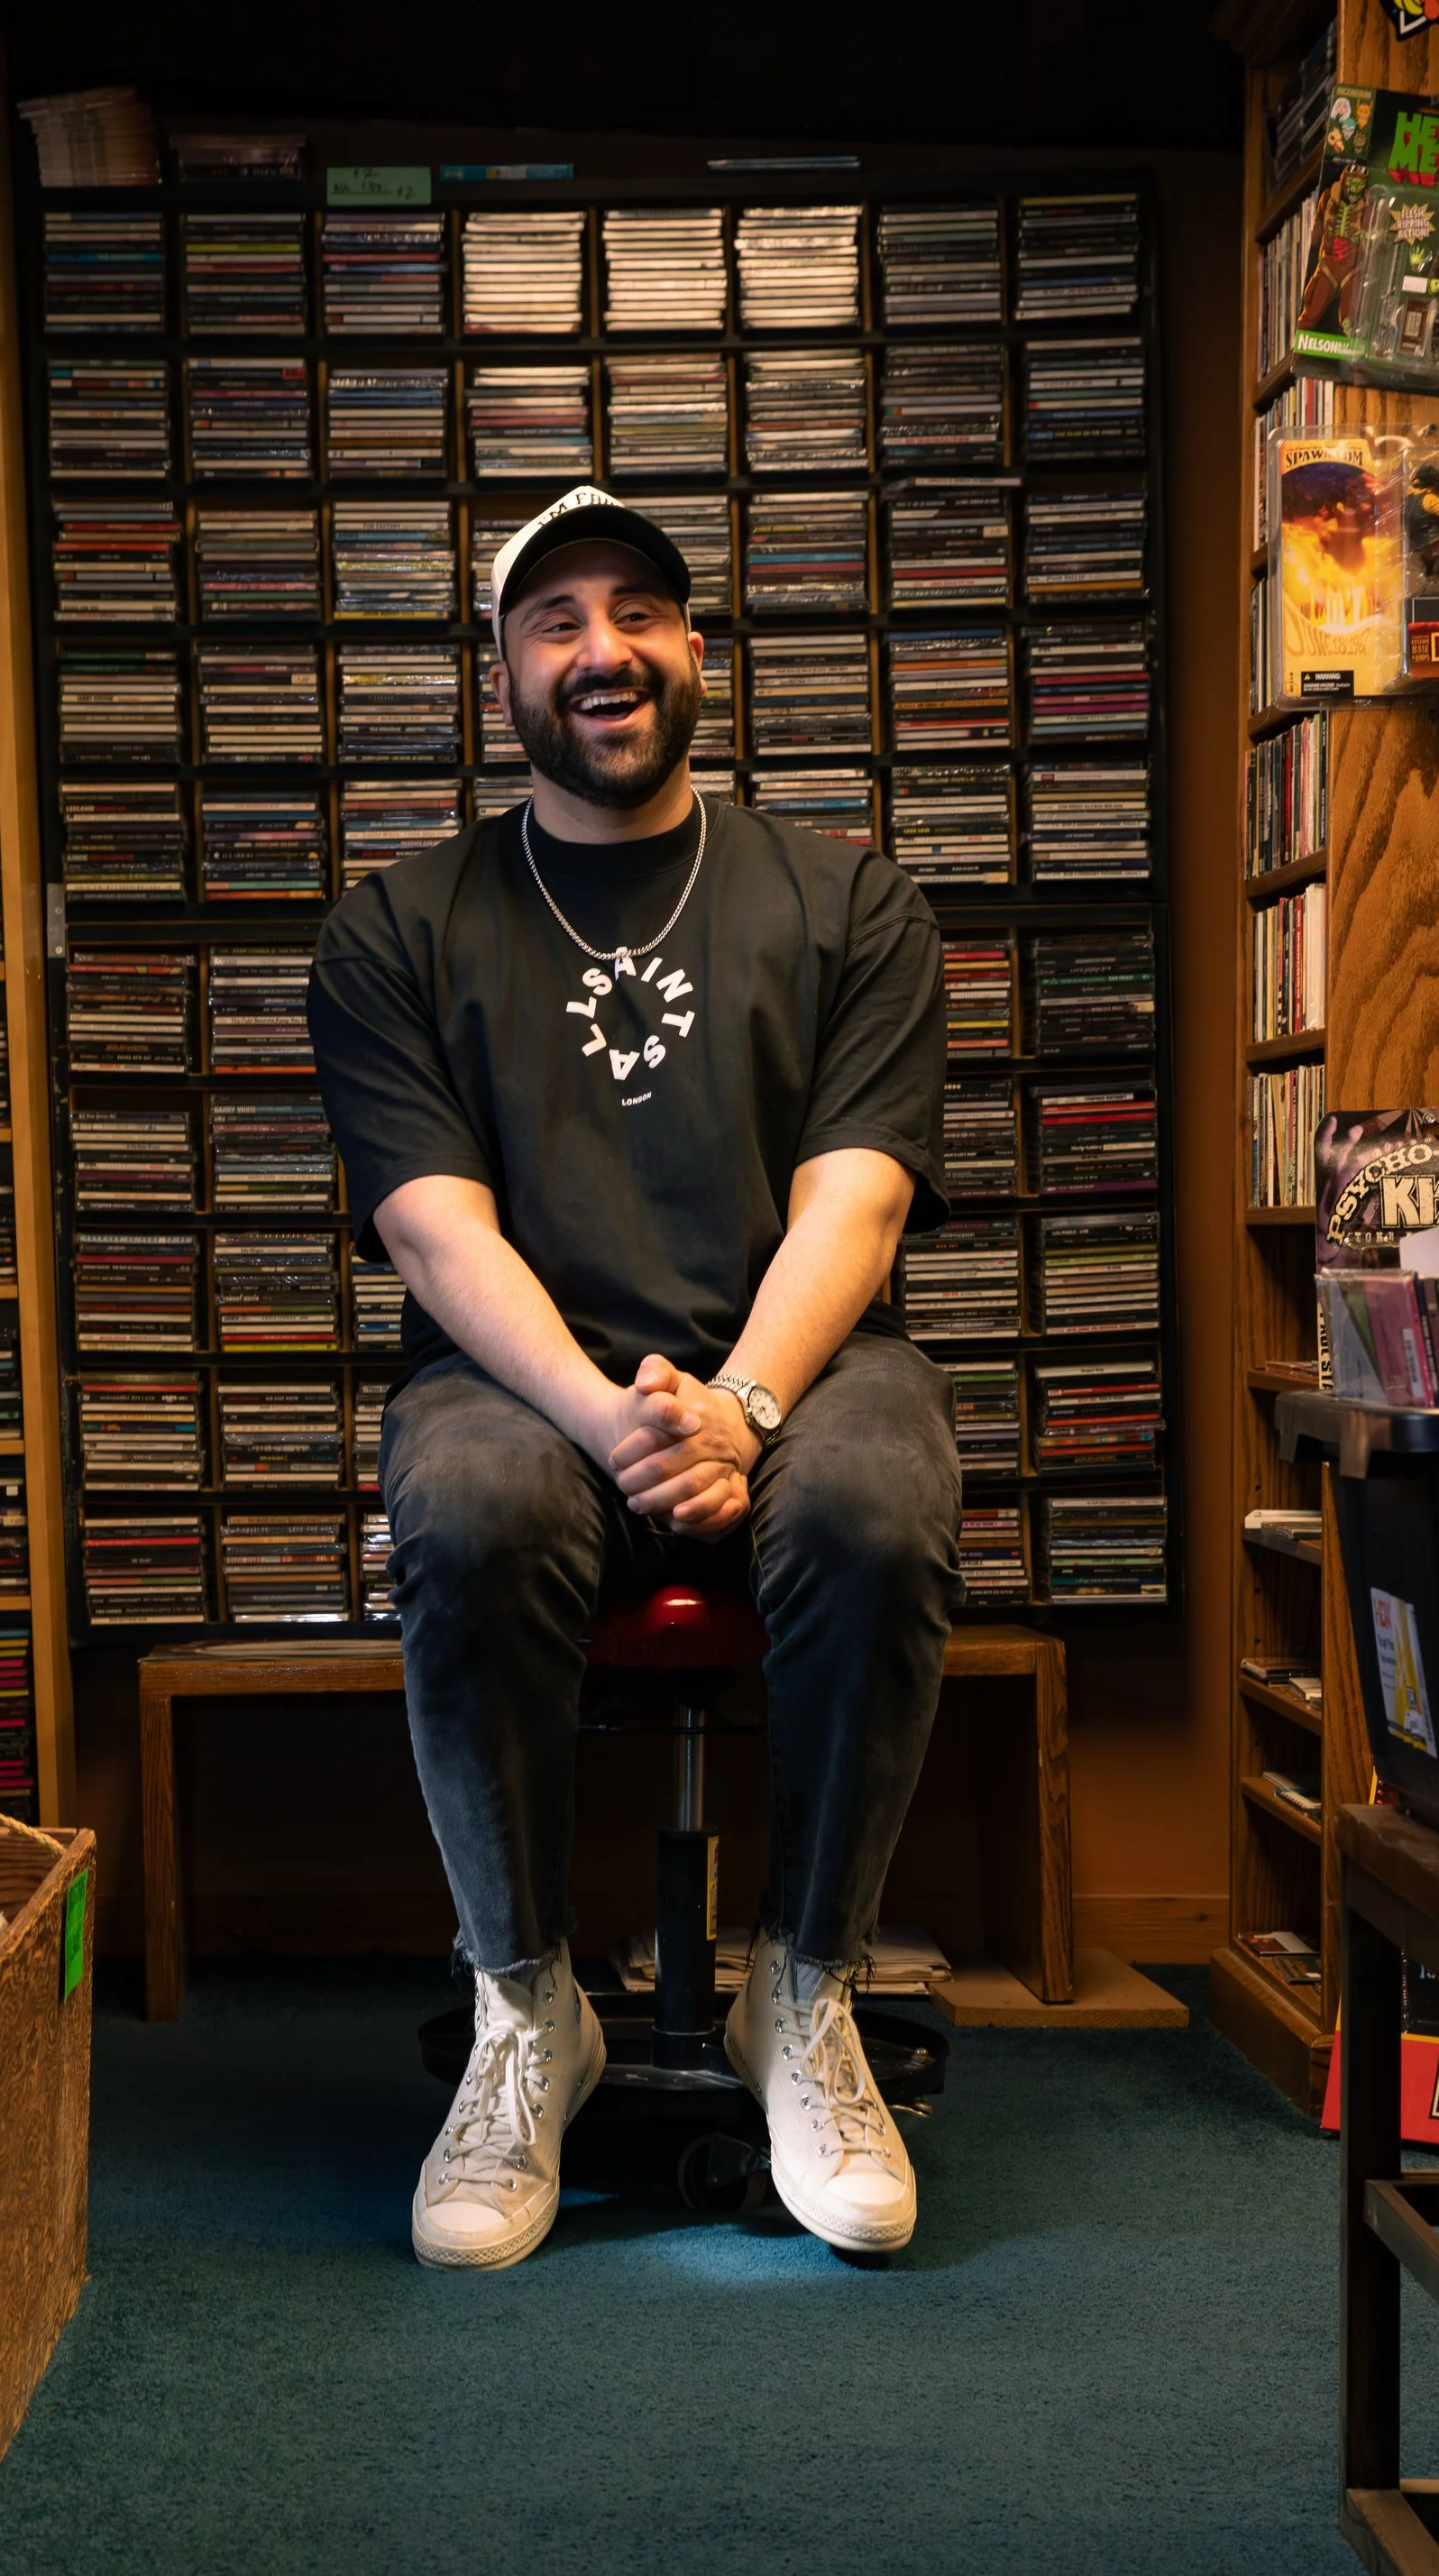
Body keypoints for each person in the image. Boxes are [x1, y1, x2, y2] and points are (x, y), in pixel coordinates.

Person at [308, 486, 962, 2272]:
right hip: (517, 1371)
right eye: (555, 618)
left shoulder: (850, 901)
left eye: (640, 611)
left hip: (797, 1358)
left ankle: (804, 1996)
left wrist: (740, 1407)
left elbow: (860, 1193)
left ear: (693, 648)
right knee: (463, 1500)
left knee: (877, 1502)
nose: (602, 648)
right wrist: (607, 1418)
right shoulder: (393, 929)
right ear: (501, 669)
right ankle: (527, 2006)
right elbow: (435, 1232)